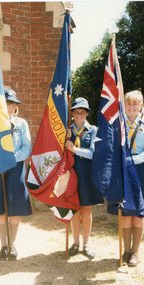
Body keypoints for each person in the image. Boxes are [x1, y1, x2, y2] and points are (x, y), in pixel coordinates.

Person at [0, 87, 32, 260]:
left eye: (12, 104)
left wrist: (10, 158)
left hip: (16, 168)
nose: (9, 108)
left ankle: (13, 245)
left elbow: (26, 148)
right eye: (6, 104)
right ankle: (3, 245)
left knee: (16, 208)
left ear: (15, 107)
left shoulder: (21, 124)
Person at [108, 90, 144, 267]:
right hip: (122, 172)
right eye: (128, 104)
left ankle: (136, 252)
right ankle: (126, 250)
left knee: (138, 213)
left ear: (141, 107)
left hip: (140, 170)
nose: (131, 107)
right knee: (125, 212)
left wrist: (132, 159)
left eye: (135, 104)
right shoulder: (119, 126)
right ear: (124, 106)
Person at [65, 97, 104, 258]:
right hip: (72, 175)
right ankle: (75, 242)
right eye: (76, 112)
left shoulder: (94, 130)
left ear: (87, 114)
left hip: (88, 175)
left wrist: (74, 149)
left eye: (83, 112)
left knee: (87, 210)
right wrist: (64, 140)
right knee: (74, 210)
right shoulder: (67, 131)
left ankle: (86, 244)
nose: (79, 115)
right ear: (72, 114)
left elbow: (94, 154)